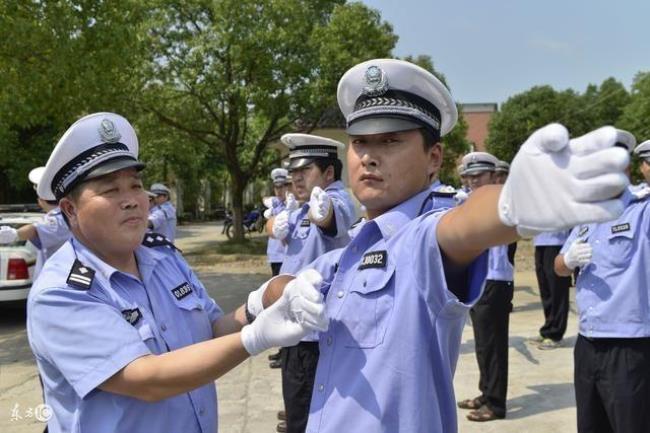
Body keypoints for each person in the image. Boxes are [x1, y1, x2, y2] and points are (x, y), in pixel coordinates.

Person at [244, 58, 632, 433]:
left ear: (434, 158)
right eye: (359, 141)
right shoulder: (358, 244)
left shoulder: (420, 235)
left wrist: (510, 206)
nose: (369, 157)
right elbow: (306, 279)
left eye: (391, 140)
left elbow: (460, 225)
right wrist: (260, 300)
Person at [26, 112, 328, 433]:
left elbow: (211, 329)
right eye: (110, 190)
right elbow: (147, 379)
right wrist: (255, 338)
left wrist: (262, 300)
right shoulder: (62, 291)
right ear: (70, 209)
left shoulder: (162, 258)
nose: (131, 200)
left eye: (135, 185)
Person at [553, 134, 648, 433]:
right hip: (587, 342)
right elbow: (557, 266)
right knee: (591, 426)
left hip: (628, 346)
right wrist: (567, 261)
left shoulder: (642, 209)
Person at [265, 133, 356, 433]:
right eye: (293, 173)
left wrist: (324, 212)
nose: (296, 179)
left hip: (311, 334)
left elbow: (333, 216)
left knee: (305, 414)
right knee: (298, 405)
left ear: (329, 173)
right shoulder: (302, 206)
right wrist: (273, 223)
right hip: (294, 326)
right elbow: (279, 228)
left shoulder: (333, 199)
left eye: (304, 172)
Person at [456, 151, 517, 422]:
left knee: (493, 345)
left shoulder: (503, 201)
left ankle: (496, 403)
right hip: (477, 281)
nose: (472, 182)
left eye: (478, 176)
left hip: (495, 280)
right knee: (482, 344)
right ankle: (486, 392)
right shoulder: (468, 200)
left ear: (493, 176)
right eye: (469, 177)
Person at [0, 166, 70, 278]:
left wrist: (14, 234)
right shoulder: (68, 214)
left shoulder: (58, 218)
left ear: (40, 200)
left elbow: (34, 230)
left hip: (56, 281)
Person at [531, 229, 572, 349]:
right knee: (545, 288)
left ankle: (556, 334)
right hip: (539, 241)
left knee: (557, 289)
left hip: (557, 242)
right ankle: (548, 328)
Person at [263, 168, 295, 275]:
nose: (278, 190)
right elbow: (264, 199)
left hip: (288, 254)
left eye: (281, 186)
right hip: (275, 254)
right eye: (276, 187)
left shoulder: (292, 205)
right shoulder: (274, 204)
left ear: (287, 187)